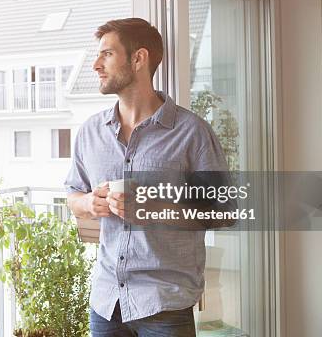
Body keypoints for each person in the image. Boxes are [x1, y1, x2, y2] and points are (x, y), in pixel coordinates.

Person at [65, 18, 230, 336]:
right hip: (106, 302)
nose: (96, 65)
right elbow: (73, 196)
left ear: (139, 58)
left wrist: (154, 208)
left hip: (164, 305)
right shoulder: (90, 133)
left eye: (107, 55)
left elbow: (222, 211)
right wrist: (88, 202)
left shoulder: (191, 132)